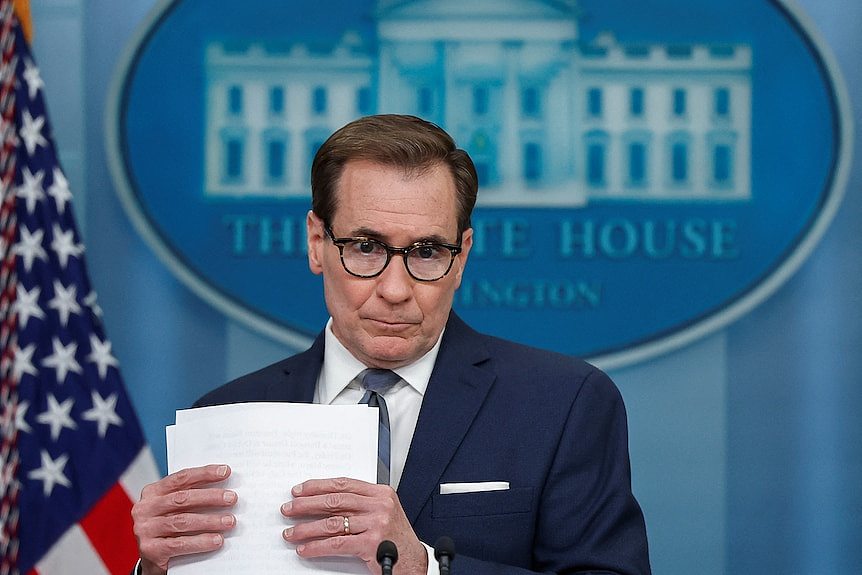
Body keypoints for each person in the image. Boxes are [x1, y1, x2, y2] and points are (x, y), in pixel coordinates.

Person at [130, 114, 651, 575]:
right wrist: (157, 570)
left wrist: (422, 568)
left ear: (463, 255)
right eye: (365, 247)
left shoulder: (563, 404)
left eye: (426, 252)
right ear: (317, 243)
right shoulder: (225, 416)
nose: (395, 289)